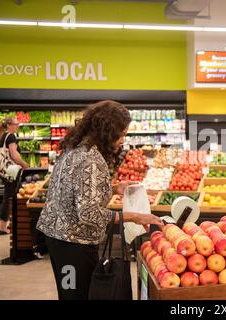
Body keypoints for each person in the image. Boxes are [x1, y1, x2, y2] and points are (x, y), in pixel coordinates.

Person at [36, 100, 163, 300]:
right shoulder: (91, 160)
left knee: (69, 292)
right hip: (74, 243)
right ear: (108, 130)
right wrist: (134, 217)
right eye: (122, 133)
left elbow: (74, 190)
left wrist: (113, 188)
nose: (123, 139)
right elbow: (88, 213)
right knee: (77, 295)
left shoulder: (75, 149)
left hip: (58, 238)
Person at [0, 117, 28, 235]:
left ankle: (6, 225)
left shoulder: (0, 138)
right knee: (9, 197)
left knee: (9, 196)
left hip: (3, 172)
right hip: (12, 171)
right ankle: (3, 227)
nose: (17, 126)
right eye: (16, 124)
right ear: (9, 125)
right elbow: (14, 155)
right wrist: (24, 164)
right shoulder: (10, 136)